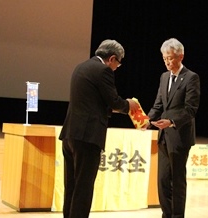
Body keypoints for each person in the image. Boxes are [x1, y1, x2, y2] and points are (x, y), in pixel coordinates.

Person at [59, 39, 138, 218]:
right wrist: (129, 105)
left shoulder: (81, 66)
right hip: (87, 137)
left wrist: (114, 108)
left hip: (70, 134)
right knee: (83, 188)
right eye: (118, 63)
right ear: (112, 58)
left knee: (71, 186)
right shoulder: (103, 71)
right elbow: (114, 100)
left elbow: (93, 102)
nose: (117, 67)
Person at [145, 38, 200, 218]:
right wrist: (147, 119)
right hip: (163, 136)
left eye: (170, 58)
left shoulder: (191, 77)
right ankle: (166, 214)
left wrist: (171, 121)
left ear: (180, 56)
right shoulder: (164, 77)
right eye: (164, 59)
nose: (168, 62)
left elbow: (190, 109)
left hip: (179, 136)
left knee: (177, 180)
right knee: (162, 180)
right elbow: (159, 104)